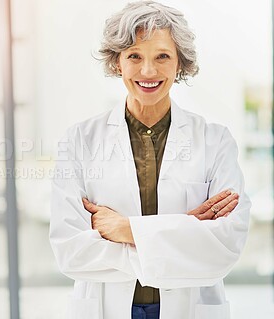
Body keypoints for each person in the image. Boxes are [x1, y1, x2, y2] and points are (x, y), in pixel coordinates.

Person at [49, 1, 250, 318]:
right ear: (117, 62)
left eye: (162, 56)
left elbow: (225, 247)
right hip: (106, 307)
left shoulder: (215, 141)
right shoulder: (79, 141)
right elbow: (70, 251)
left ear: (179, 63)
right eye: (134, 56)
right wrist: (183, 231)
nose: (148, 71)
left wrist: (126, 229)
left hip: (190, 306)